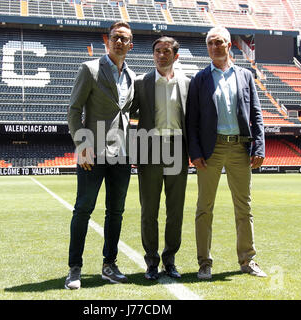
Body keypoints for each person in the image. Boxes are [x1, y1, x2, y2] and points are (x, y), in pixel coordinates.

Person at [186, 26, 267, 280]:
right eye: (210, 43)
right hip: (211, 149)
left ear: (229, 45)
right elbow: (192, 121)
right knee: (204, 208)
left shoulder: (245, 76)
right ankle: (204, 263)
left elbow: (256, 114)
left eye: (218, 42)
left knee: (244, 207)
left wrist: (260, 145)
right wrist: (195, 152)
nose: (213, 47)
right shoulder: (200, 79)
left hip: (239, 148)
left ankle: (247, 260)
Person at [65, 21, 136, 290]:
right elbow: (74, 110)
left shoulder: (132, 77)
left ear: (131, 45)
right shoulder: (90, 69)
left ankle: (109, 264)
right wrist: (82, 145)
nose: (119, 42)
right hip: (92, 153)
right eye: (115, 37)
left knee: (116, 212)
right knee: (83, 209)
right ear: (107, 41)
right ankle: (74, 268)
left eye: (124, 39)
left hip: (121, 154)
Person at [131, 36, 190, 280]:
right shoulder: (140, 83)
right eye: (157, 51)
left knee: (175, 209)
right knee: (149, 210)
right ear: (153, 54)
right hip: (150, 148)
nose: (161, 55)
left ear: (176, 56)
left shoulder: (188, 83)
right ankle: (151, 261)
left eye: (166, 51)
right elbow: (125, 115)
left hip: (177, 147)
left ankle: (170, 258)